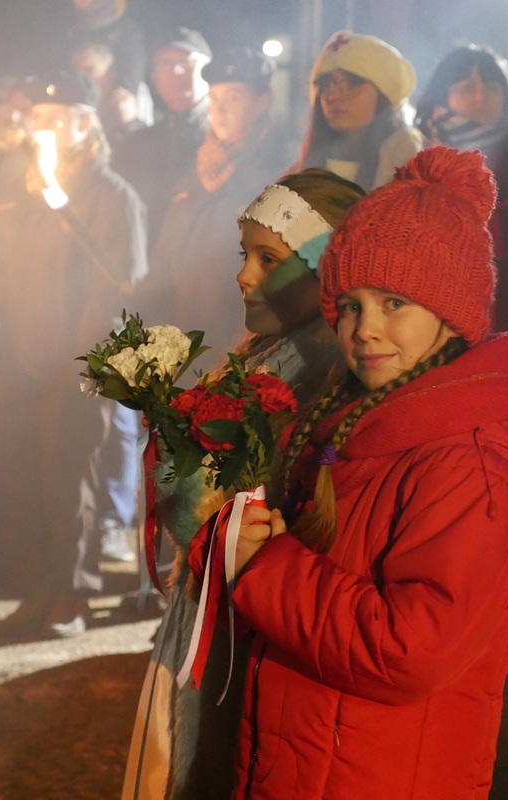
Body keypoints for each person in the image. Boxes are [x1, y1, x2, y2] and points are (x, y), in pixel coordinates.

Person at [221, 147, 508, 798]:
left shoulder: (471, 466)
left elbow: (411, 651)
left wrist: (265, 568)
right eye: (351, 305)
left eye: (394, 302)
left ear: (452, 310)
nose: (366, 329)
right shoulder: (354, 422)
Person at [121, 169, 365, 800]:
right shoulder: (264, 355)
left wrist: (188, 465)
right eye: (244, 255)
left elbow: (208, 512)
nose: (243, 275)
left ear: (325, 269)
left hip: (243, 635)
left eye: (268, 259)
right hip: (210, 614)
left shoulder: (318, 380)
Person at [0, 71, 147, 637]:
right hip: (19, 360)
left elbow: (116, 289)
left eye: (56, 119)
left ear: (85, 126)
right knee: (21, 478)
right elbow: (3, 266)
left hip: (77, 364)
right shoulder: (22, 192)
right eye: (38, 119)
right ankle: (37, 589)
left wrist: (81, 364)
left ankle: (73, 593)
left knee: (68, 479)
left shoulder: (112, 196)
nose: (43, 129)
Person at [147, 47, 295, 359]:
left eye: (234, 98)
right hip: (186, 333)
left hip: (241, 339)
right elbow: (166, 254)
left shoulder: (281, 171)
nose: (220, 110)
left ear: (262, 102)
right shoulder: (197, 168)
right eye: (214, 99)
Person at [113, 27, 212, 241]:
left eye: (186, 62)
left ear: (209, 73)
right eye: (165, 64)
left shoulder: (227, 141)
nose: (175, 71)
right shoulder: (139, 144)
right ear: (154, 78)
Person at [296, 30, 424, 191]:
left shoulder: (409, 165)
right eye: (324, 84)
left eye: (352, 83)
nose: (332, 96)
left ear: (383, 95)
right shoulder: (303, 168)